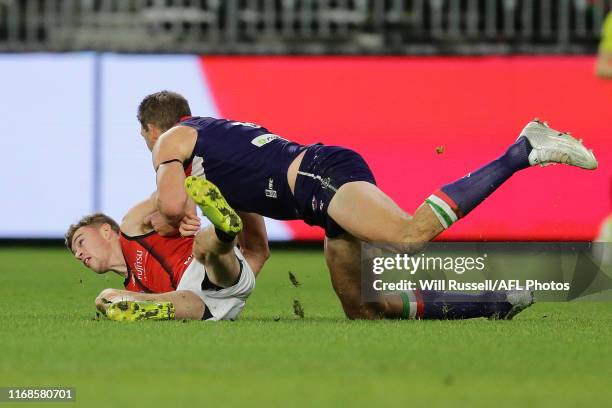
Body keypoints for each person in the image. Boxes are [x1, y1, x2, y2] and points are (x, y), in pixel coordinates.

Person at [137, 90, 597, 320]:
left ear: (150, 131)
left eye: (145, 141)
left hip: (319, 175)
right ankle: (496, 301)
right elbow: (257, 247)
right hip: (316, 190)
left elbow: (174, 206)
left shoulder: (171, 140)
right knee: (364, 309)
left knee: (407, 235)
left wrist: (174, 216)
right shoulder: (213, 162)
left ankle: (522, 149)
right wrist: (224, 292)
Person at [65, 184, 269, 321]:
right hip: (207, 308)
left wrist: (180, 211)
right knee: (106, 297)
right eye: (75, 253)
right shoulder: (131, 287)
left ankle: (223, 231)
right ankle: (150, 310)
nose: (78, 255)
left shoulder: (132, 225)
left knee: (205, 248)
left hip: (207, 268)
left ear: (106, 230)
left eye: (80, 242)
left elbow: (175, 186)